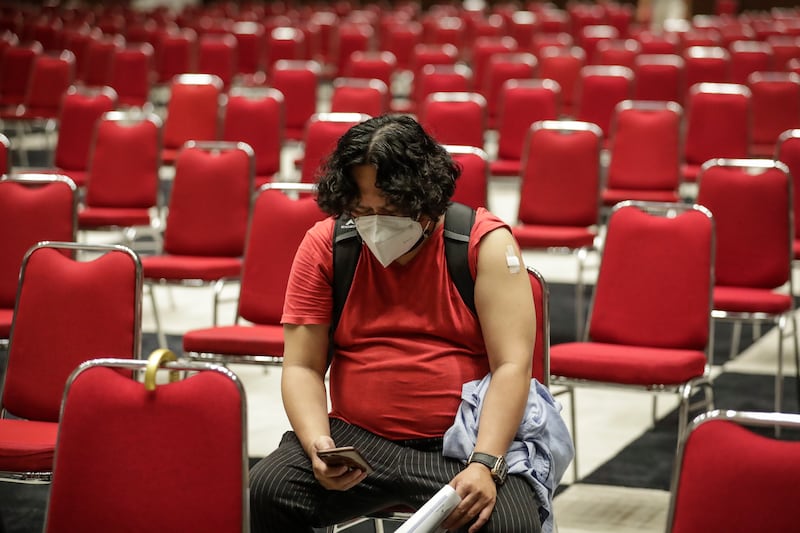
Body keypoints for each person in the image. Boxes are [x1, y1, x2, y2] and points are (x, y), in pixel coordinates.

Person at [249, 114, 572, 533]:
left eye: (391, 210)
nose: (376, 225)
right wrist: (317, 445)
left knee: (510, 525)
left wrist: (486, 463)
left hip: (460, 445)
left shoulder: (482, 243)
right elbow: (302, 367)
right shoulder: (326, 245)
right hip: (359, 440)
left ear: (426, 199)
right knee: (268, 490)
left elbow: (513, 365)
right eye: (362, 210)